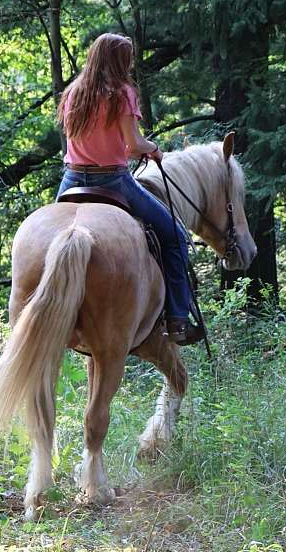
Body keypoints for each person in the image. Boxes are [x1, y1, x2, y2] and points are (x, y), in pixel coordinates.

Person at [56, 32, 203, 345]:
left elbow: (86, 141)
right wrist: (153, 148)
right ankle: (178, 318)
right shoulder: (122, 93)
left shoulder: (74, 93)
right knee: (176, 235)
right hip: (112, 181)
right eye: (128, 58)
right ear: (119, 61)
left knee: (51, 246)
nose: (131, 64)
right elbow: (134, 144)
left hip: (71, 180)